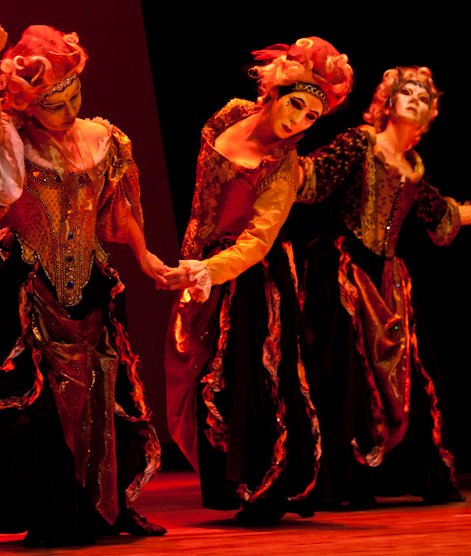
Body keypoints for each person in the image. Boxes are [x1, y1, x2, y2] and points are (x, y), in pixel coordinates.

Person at [0, 16, 168, 547]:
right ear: (26, 104)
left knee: (103, 392)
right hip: (26, 283)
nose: (68, 112)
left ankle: (109, 507)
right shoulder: (12, 142)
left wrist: (146, 257)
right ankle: (54, 508)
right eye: (53, 104)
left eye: (74, 97)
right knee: (40, 401)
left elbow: (117, 211)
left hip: (89, 282)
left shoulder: (105, 138)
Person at [293, 66, 471, 510]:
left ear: (428, 116)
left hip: (388, 279)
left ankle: (399, 472)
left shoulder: (413, 170)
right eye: (406, 92)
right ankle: (340, 480)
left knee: (407, 377)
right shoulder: (360, 142)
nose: (415, 100)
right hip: (343, 270)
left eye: (423, 97)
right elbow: (311, 179)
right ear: (387, 102)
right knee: (343, 374)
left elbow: (444, 215)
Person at [162, 37, 354, 525]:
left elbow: (257, 242)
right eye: (296, 105)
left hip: (252, 280)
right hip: (203, 262)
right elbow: (203, 199)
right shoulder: (230, 114)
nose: (299, 122)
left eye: (312, 117)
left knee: (250, 379)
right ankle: (230, 487)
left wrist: (208, 271)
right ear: (275, 91)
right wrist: (193, 260)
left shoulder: (282, 166)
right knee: (195, 370)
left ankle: (265, 489)